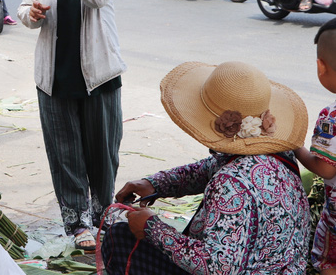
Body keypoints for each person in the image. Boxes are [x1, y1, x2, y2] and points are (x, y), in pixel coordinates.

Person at [102, 61, 310, 274]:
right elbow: (208, 168)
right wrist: (155, 183)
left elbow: (217, 266)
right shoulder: (278, 153)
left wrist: (152, 228)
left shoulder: (230, 183)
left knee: (119, 238)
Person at [17, 0, 126, 251]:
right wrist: (29, 15)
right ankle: (78, 222)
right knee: (65, 153)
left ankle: (102, 213)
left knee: (102, 150)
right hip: (55, 71)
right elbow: (23, 7)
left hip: (98, 71)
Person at [295, 18, 336, 274]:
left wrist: (294, 146)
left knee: (328, 261)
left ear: (321, 67)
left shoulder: (331, 117)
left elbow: (326, 169)